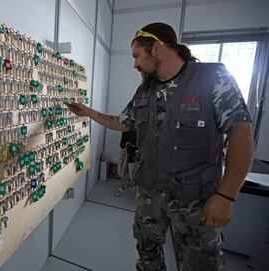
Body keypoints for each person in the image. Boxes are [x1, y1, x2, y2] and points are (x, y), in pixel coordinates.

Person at [67, 22, 254, 271]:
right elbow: (123, 123)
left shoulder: (213, 78)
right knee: (147, 255)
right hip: (150, 194)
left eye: (136, 56)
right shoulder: (145, 91)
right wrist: (87, 112)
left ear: (156, 48)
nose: (135, 64)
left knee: (199, 264)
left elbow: (241, 135)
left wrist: (226, 195)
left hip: (194, 201)